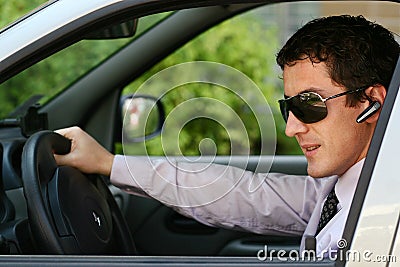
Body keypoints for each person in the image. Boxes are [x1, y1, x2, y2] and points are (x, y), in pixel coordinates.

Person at [54, 15, 400, 258]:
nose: (292, 128)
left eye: (310, 105)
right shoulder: (343, 189)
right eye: (288, 108)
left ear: (372, 101)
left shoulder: (386, 214)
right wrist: (108, 163)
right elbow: (246, 196)